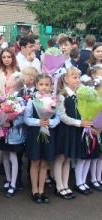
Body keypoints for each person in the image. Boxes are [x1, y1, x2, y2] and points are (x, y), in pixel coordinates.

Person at [55, 67, 93, 199]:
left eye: (78, 77)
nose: (77, 80)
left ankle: (66, 185)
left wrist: (86, 120)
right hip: (65, 130)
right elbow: (62, 116)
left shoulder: (80, 95)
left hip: (75, 130)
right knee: (60, 158)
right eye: (74, 77)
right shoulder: (62, 95)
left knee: (68, 158)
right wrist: (79, 123)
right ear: (66, 79)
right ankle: (59, 186)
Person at [24, 74, 60, 204]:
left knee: (45, 162)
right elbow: (26, 119)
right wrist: (38, 121)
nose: (44, 87)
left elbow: (57, 118)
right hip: (35, 133)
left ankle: (42, 189)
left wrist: (50, 122)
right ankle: (34, 190)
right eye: (41, 84)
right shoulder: (32, 100)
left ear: (51, 86)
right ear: (36, 85)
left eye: (47, 85)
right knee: (35, 161)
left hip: (48, 132)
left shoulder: (54, 101)